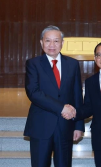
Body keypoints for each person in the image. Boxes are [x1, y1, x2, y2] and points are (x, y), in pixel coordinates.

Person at [24, 25, 84, 167]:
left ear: (62, 43)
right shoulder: (33, 64)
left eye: (56, 41)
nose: (52, 45)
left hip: (66, 126)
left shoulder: (73, 64)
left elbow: (77, 95)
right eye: (48, 41)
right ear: (41, 42)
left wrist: (79, 125)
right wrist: (61, 108)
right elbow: (34, 93)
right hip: (41, 126)